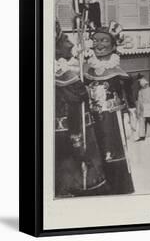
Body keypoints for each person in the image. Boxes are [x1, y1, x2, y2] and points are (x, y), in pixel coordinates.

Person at [55, 23, 108, 197]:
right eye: (65, 40)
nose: (70, 44)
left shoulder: (64, 68)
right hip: (68, 133)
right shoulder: (60, 72)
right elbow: (78, 93)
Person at [85, 23, 134, 194]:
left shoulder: (119, 73)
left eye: (104, 40)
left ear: (113, 46)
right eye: (95, 40)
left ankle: (118, 186)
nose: (98, 44)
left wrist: (130, 117)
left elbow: (129, 98)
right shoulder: (87, 70)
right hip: (92, 120)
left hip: (112, 120)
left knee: (111, 152)